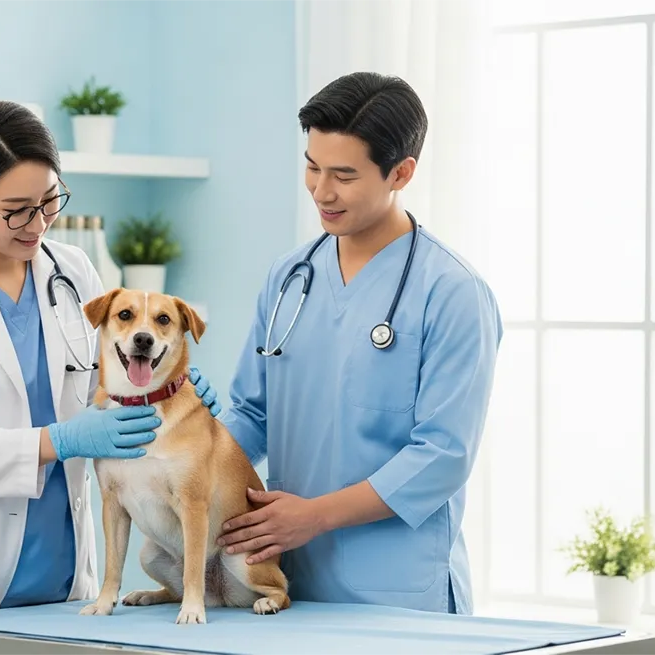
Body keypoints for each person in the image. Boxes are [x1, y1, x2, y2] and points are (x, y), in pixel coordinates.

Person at [0, 100, 217, 612]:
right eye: (16, 209)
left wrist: (167, 390)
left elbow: (104, 388)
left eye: (50, 200)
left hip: (65, 569)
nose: (38, 224)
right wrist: (57, 441)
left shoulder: (73, 270)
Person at [211, 72, 502, 616]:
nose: (322, 191)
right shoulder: (289, 277)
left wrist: (314, 516)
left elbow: (442, 456)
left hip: (396, 594)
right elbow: (252, 413)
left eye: (344, 175)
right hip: (285, 583)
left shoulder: (453, 293)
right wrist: (190, 451)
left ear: (401, 172)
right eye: (312, 167)